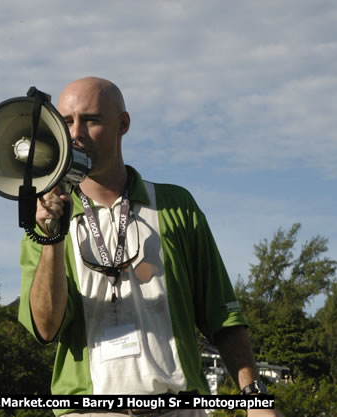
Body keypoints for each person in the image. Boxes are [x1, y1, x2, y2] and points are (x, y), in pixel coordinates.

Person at [18, 76, 282, 417]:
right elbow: (45, 327)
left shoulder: (174, 205)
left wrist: (254, 398)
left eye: (92, 120)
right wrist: (52, 238)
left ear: (123, 124)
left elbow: (222, 314)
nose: (76, 133)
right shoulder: (45, 221)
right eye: (67, 122)